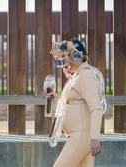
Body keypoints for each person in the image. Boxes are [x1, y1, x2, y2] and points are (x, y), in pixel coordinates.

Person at [49, 39, 107, 167]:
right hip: (77, 135)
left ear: (76, 57)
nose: (64, 62)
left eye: (65, 57)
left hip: (81, 136)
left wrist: (94, 138)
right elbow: (76, 102)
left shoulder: (86, 76)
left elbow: (96, 108)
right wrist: (58, 98)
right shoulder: (77, 76)